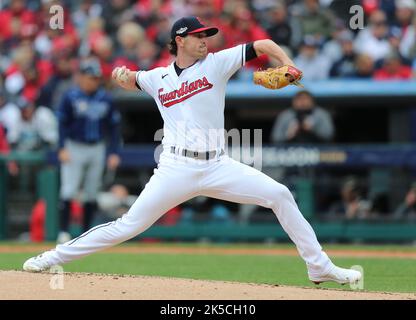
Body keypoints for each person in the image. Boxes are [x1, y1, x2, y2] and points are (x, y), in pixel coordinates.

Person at [23, 16, 361, 285]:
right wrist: (121, 74)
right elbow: (131, 80)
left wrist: (288, 64)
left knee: (280, 194)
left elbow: (262, 44)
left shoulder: (216, 63)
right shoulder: (157, 78)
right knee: (128, 226)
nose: (205, 41)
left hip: (218, 165)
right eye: (198, 36)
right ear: (179, 40)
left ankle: (319, 267)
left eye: (207, 35)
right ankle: (53, 257)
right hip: (175, 168)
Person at [54, 58, 121, 244]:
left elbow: (114, 127)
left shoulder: (106, 98)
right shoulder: (70, 96)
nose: (94, 80)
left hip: (97, 147)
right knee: (69, 190)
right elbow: (61, 123)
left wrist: (113, 151)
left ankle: (85, 234)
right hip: (74, 146)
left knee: (92, 192)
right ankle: (63, 231)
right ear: (81, 77)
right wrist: (61, 147)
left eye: (96, 77)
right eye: (91, 77)